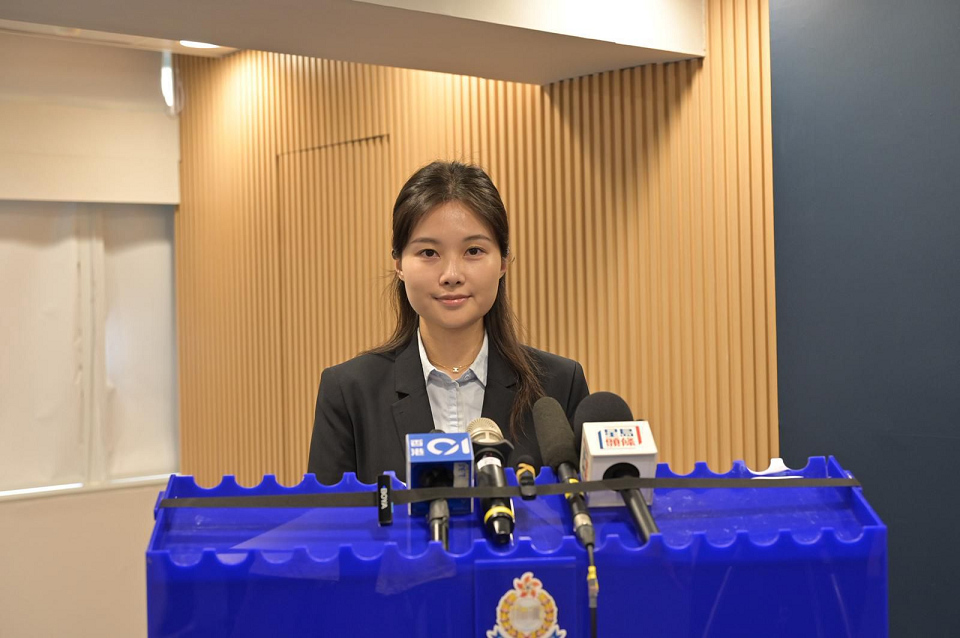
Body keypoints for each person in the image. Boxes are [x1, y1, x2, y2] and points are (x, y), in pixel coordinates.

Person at [307, 161, 589, 484]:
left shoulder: (559, 386)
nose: (451, 275)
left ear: (503, 261)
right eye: (429, 253)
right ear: (399, 264)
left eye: (473, 250)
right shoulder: (349, 392)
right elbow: (325, 516)